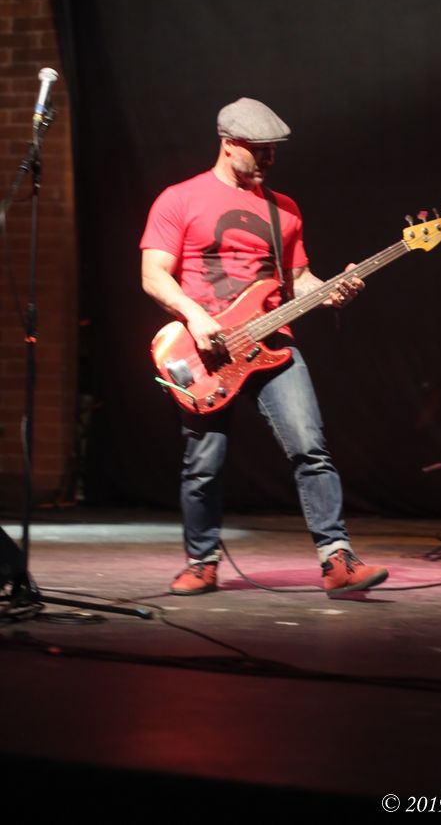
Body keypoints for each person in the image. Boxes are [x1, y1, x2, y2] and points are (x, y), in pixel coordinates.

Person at [140, 97, 388, 598]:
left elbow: (298, 280)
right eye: (260, 150)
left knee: (311, 447)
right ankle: (202, 562)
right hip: (203, 350)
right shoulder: (179, 199)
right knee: (203, 462)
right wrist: (196, 316)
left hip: (272, 342)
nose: (270, 159)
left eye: (274, 150)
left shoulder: (284, 210)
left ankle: (337, 559)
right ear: (229, 145)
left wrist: (332, 290)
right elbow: (153, 274)